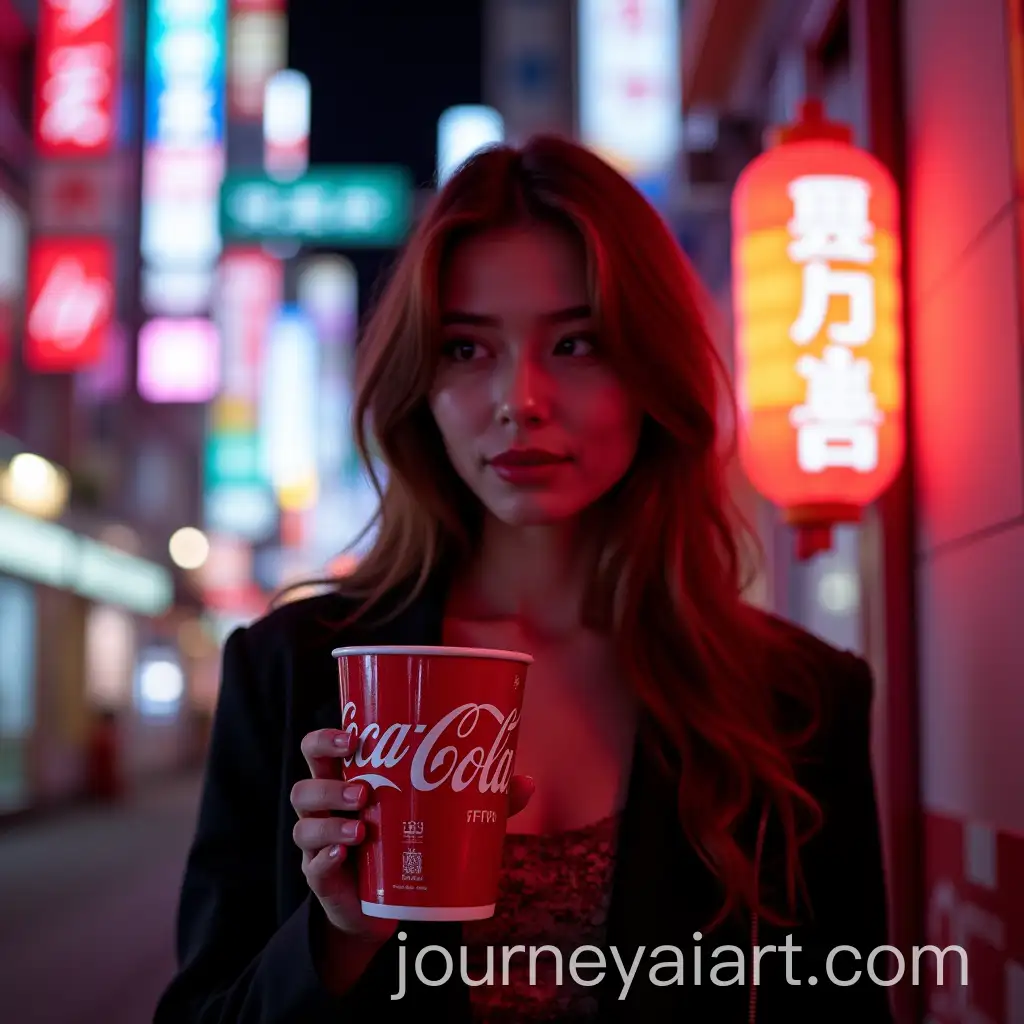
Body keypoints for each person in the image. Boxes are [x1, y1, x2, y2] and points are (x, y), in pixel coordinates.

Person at [154, 135, 895, 1023]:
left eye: (577, 342)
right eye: (467, 350)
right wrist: (338, 935)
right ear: (418, 385)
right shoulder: (294, 670)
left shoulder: (797, 699)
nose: (522, 398)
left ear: (653, 371)